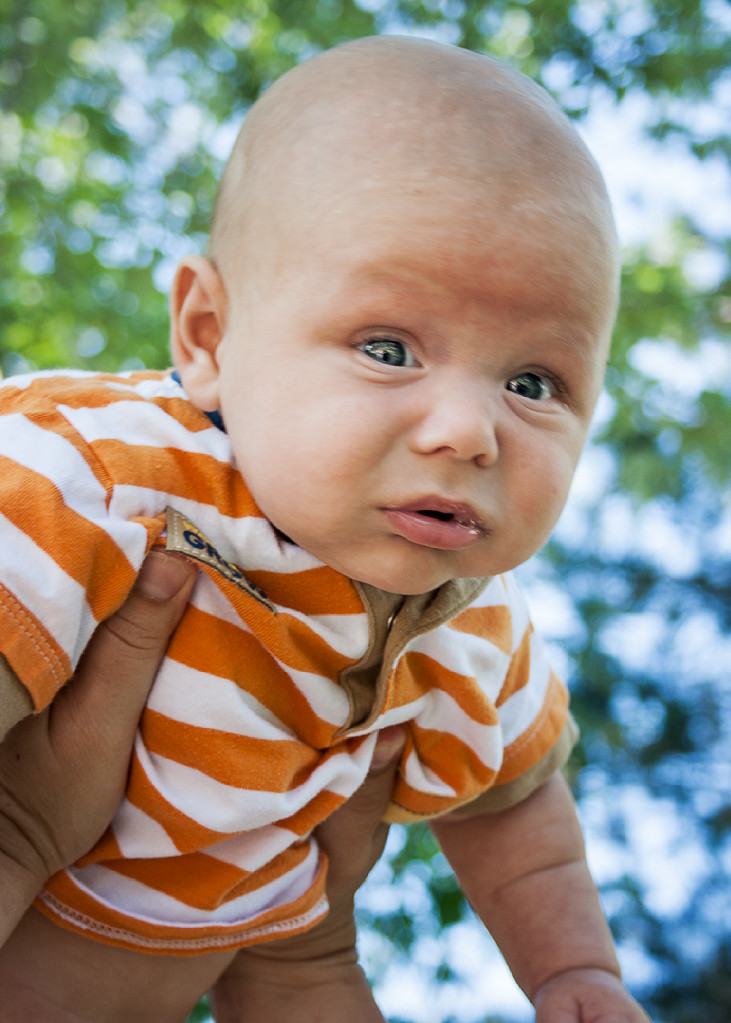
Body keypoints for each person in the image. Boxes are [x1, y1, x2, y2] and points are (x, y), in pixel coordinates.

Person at [0, 35, 650, 1023]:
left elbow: (517, 813)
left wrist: (572, 975)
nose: (466, 431)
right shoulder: (100, 474)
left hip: (267, 933)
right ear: (208, 339)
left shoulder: (471, 630)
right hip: (35, 925)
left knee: (309, 971)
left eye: (532, 383)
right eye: (388, 349)